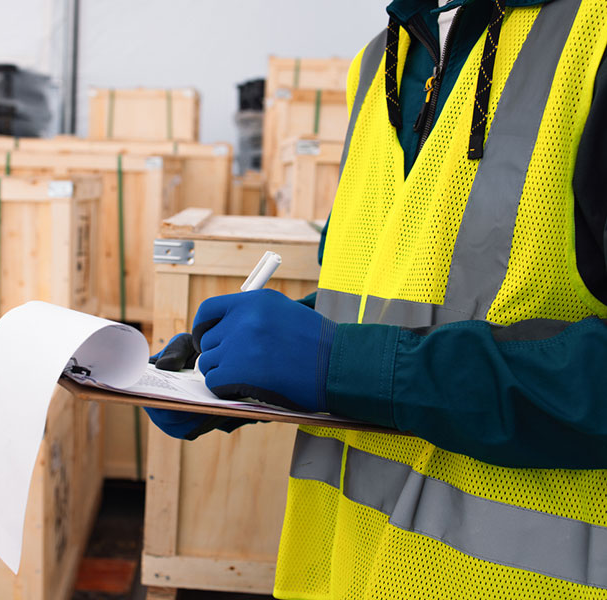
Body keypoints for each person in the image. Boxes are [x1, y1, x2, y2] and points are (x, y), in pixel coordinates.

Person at [145, 0, 607, 598]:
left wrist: (342, 364)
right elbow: (399, 295)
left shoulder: (591, 41)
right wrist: (254, 365)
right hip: (345, 574)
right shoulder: (382, 63)